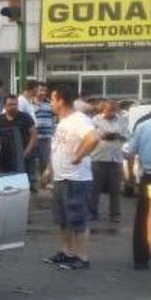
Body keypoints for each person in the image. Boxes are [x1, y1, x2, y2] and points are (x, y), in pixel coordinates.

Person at [41, 85, 100, 270]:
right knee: (63, 220)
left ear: (61, 100)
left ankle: (82, 258)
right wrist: (49, 169)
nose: (50, 102)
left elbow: (93, 138)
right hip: (61, 178)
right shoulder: (62, 121)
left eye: (52, 99)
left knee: (77, 219)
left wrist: (78, 156)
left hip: (77, 179)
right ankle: (67, 253)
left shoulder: (79, 119)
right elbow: (57, 148)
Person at [89, 100, 129, 223]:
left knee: (115, 189)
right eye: (108, 110)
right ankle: (92, 213)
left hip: (115, 159)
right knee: (94, 189)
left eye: (113, 110)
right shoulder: (95, 120)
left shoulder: (121, 120)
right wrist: (104, 135)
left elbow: (127, 135)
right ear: (103, 109)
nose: (110, 112)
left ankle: (115, 214)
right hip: (98, 158)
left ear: (116, 110)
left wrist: (118, 136)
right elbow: (91, 135)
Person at [0, 95, 37, 189]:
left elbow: (34, 135)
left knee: (26, 184)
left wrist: (27, 151)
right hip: (5, 157)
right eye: (10, 104)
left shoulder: (25, 117)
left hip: (23, 156)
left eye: (15, 104)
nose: (13, 106)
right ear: (4, 106)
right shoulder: (0, 119)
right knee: (6, 183)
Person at [127, 116, 151, 270]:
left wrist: (131, 176)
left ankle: (141, 258)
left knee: (143, 219)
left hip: (149, 177)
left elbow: (130, 153)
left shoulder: (143, 126)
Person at [33, 82, 55, 181]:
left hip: (46, 137)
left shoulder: (49, 103)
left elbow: (54, 118)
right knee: (32, 161)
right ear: (35, 90)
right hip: (33, 138)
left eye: (45, 90)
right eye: (41, 90)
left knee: (45, 161)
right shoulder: (29, 103)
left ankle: (45, 182)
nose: (43, 92)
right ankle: (33, 183)